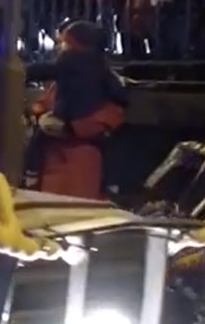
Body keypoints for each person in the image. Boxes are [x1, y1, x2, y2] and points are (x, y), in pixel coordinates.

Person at [23, 21, 127, 199]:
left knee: (39, 137)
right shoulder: (101, 70)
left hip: (74, 153)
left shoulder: (69, 63)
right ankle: (112, 184)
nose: (59, 47)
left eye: (63, 42)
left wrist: (21, 73)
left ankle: (30, 171)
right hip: (70, 151)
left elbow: (43, 73)